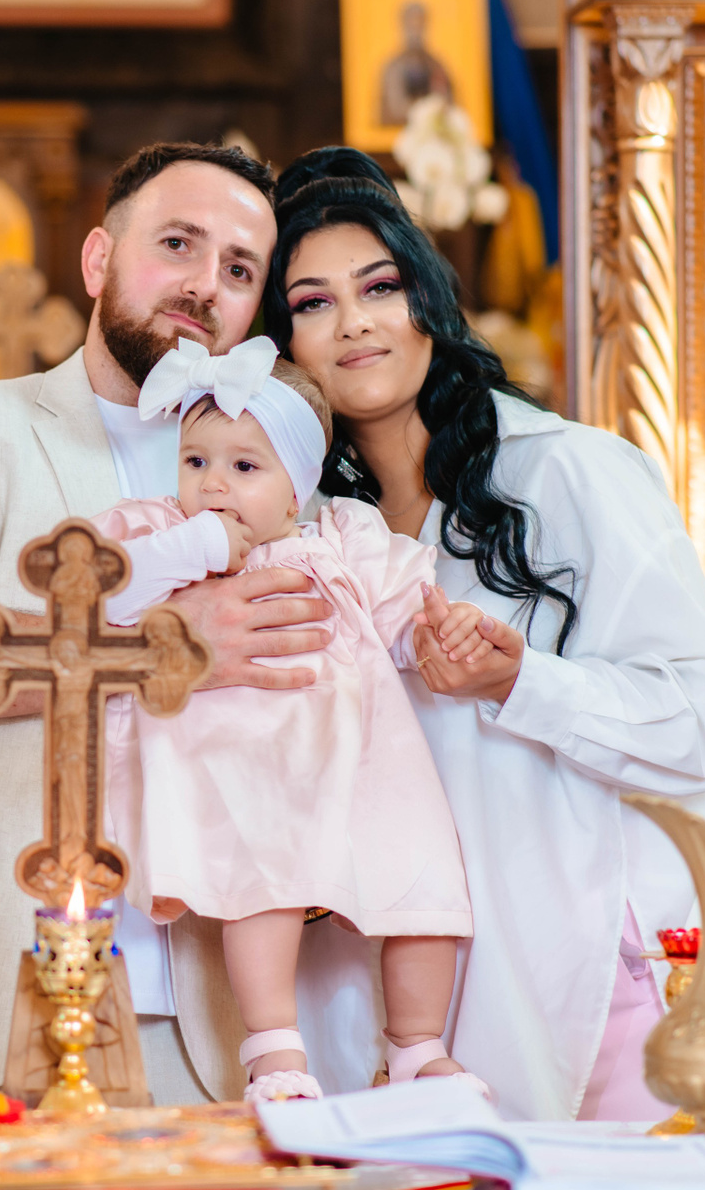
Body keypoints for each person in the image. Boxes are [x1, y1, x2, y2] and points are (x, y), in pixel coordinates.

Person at [268, 147, 705, 1121]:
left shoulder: (569, 472)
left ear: (428, 299)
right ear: (283, 344)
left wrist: (519, 681)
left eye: (380, 286)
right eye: (314, 302)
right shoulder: (302, 529)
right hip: (370, 1011)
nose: (356, 321)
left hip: (577, 989)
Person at [0, 141, 333, 1106]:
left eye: (240, 270)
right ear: (100, 259)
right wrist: (163, 651)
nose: (206, 284)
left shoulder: (278, 476)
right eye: (178, 244)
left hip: (216, 1009)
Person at [90, 336, 490, 1103]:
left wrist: (433, 634)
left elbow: (401, 616)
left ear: (297, 487)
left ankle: (416, 1047)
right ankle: (274, 1052)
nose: (213, 483)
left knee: (423, 883)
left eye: (245, 467)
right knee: (261, 891)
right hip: (246, 767)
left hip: (365, 757)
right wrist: (196, 544)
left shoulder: (340, 538)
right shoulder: (163, 535)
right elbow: (104, 595)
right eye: (196, 461)